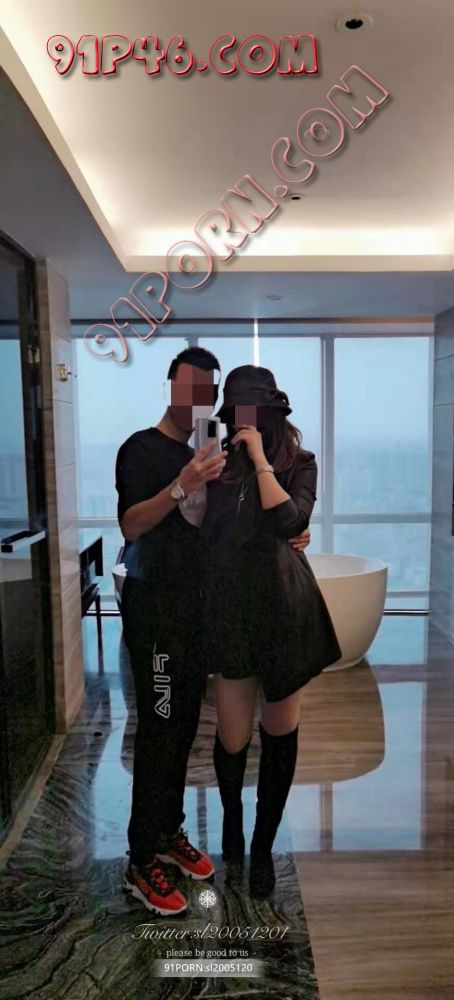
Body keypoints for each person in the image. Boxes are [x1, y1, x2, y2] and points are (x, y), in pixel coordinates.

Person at [199, 365, 343, 898]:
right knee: (233, 736)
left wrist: (260, 460)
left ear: (273, 415)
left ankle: (262, 846)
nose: (244, 423)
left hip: (285, 612)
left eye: (253, 414)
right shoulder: (216, 467)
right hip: (232, 613)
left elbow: (289, 522)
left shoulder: (300, 464)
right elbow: (200, 534)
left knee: (279, 733)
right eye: (237, 414)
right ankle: (232, 824)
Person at [115, 346, 227, 916]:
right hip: (154, 615)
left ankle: (167, 833)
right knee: (157, 732)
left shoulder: (203, 453)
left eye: (208, 391)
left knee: (183, 729)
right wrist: (182, 484)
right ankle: (140, 862)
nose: (198, 400)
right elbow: (131, 524)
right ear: (172, 387)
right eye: (190, 388)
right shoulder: (139, 449)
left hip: (193, 615)